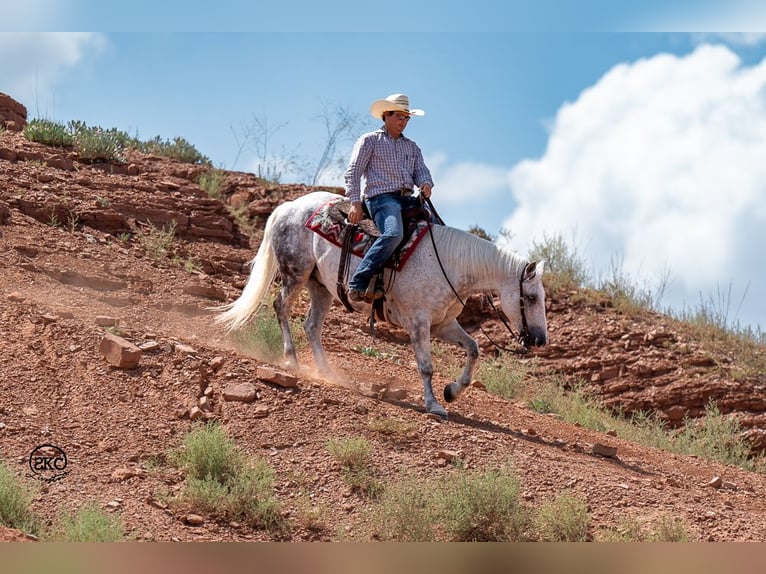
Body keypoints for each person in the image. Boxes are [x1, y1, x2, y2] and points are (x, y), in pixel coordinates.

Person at [344, 93, 434, 303]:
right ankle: (358, 281)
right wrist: (355, 203)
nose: (403, 122)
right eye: (399, 117)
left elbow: (422, 172)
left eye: (406, 118)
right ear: (386, 115)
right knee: (394, 234)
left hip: (408, 199)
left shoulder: (412, 147)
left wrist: (426, 184)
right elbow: (353, 172)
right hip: (381, 199)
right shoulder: (370, 141)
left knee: (438, 230)